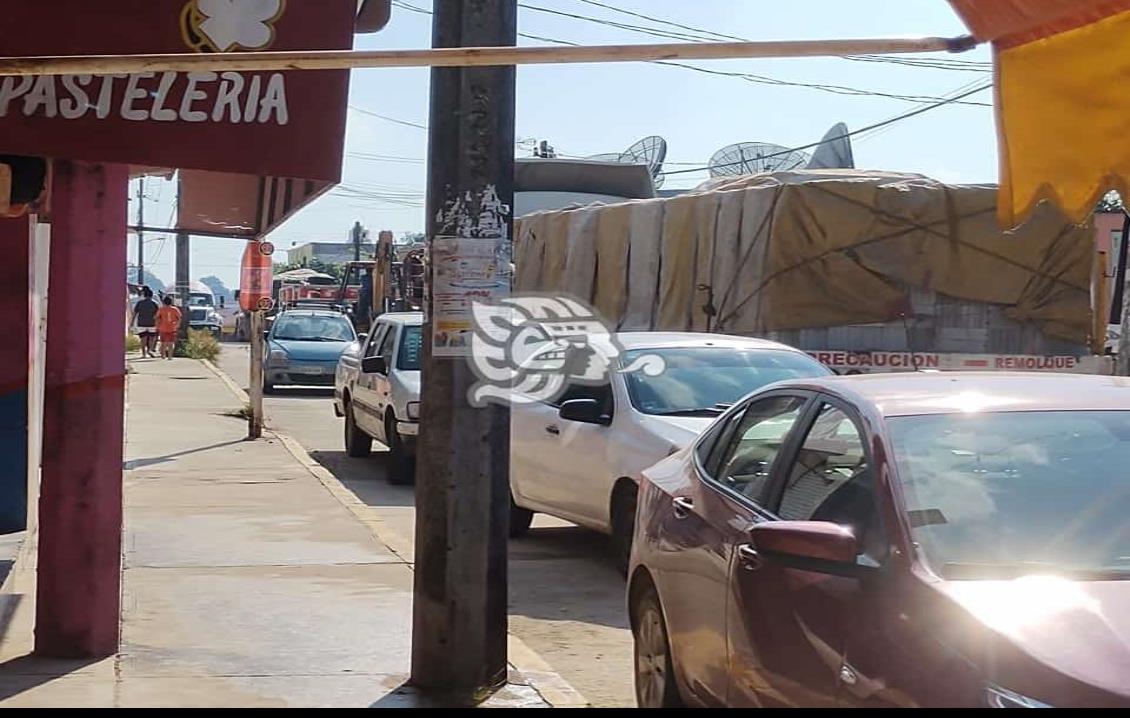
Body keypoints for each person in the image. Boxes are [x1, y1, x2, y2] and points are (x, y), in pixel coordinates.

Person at [131, 286, 160, 358]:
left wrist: (132, 322)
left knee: (143, 339)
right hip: (152, 323)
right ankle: (149, 350)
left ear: (144, 295)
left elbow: (135, 313)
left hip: (141, 323)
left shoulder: (139, 303)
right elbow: (157, 315)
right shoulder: (155, 303)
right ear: (151, 295)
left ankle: (143, 354)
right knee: (151, 338)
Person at [156, 295, 183, 360]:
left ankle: (163, 356)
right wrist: (177, 325)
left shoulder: (161, 309)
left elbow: (157, 317)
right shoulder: (175, 309)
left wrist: (157, 326)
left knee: (163, 343)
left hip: (163, 327)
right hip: (172, 328)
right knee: (171, 343)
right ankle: (170, 356)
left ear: (164, 302)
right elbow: (179, 318)